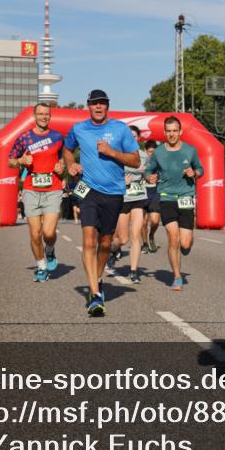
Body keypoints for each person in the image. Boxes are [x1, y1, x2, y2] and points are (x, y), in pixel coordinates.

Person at [63, 89, 140, 317]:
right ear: (88, 106)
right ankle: (95, 294)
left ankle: (96, 279)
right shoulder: (79, 129)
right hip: (88, 191)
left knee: (105, 242)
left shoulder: (120, 129)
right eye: (94, 103)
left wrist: (112, 152)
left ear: (107, 106)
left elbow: (136, 161)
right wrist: (70, 164)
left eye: (102, 103)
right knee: (89, 240)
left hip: (114, 192)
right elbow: (67, 149)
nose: (98, 107)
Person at [8, 103, 65, 282]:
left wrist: (61, 166)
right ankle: (41, 266)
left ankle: (50, 250)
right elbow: (10, 161)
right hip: (31, 189)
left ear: (50, 116)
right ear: (34, 116)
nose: (43, 117)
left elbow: (63, 159)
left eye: (46, 114)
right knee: (35, 234)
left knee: (48, 233)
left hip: (53, 188)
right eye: (40, 114)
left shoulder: (57, 137)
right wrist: (21, 160)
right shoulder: (24, 138)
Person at [145, 117, 203, 291]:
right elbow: (148, 170)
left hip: (186, 196)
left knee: (185, 243)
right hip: (166, 197)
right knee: (173, 237)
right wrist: (149, 177)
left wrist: (194, 172)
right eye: (168, 131)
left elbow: (201, 169)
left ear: (180, 131)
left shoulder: (190, 150)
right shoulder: (158, 152)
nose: (172, 134)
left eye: (175, 131)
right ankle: (177, 277)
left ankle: (186, 246)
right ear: (164, 132)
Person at [111, 125, 149, 284]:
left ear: (138, 138)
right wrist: (121, 182)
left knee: (135, 234)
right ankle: (112, 250)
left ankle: (133, 271)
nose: (132, 138)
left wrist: (150, 177)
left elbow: (148, 173)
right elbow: (110, 175)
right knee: (123, 239)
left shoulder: (144, 156)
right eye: (129, 136)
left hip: (138, 197)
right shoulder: (118, 154)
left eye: (134, 136)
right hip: (123, 198)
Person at [142, 140, 161, 253]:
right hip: (142, 192)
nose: (152, 155)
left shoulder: (159, 162)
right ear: (145, 151)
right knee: (143, 222)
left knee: (155, 221)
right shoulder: (140, 161)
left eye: (154, 152)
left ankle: (151, 235)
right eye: (150, 152)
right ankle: (145, 243)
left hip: (155, 192)